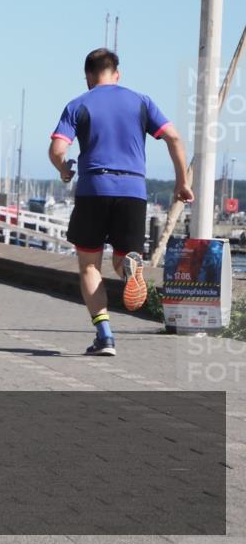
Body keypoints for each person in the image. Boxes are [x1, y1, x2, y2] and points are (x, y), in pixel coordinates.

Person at [48, 48, 193, 357]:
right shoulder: (141, 102)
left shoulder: (78, 104)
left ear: (88, 76)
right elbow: (174, 138)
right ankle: (130, 271)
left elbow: (58, 149)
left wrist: (64, 169)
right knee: (122, 258)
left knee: (89, 265)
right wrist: (182, 182)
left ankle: (104, 335)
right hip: (133, 190)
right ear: (117, 74)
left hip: (94, 188)